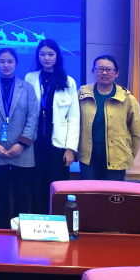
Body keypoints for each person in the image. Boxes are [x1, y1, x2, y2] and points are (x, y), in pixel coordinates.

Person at [0, 48, 38, 229]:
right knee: (0, 195)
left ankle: (19, 233)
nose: (6, 65)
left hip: (23, 151)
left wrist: (21, 144)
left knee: (21, 196)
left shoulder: (27, 88)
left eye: (10, 61)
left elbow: (33, 118)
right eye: (2, 61)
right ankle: (3, 233)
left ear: (16, 63)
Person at [24, 39, 79, 214]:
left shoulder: (68, 82)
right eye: (42, 54)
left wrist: (70, 149)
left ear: (57, 56)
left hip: (58, 145)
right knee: (36, 188)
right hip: (35, 144)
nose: (46, 58)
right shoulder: (30, 78)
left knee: (57, 189)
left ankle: (57, 226)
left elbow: (74, 118)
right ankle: (39, 225)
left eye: (50, 54)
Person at [78, 55, 140, 181]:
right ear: (93, 71)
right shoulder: (82, 95)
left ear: (116, 73)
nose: (104, 73)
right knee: (89, 192)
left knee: (113, 192)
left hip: (117, 155)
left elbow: (137, 130)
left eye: (109, 69)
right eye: (100, 69)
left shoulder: (127, 98)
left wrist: (129, 154)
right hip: (88, 156)